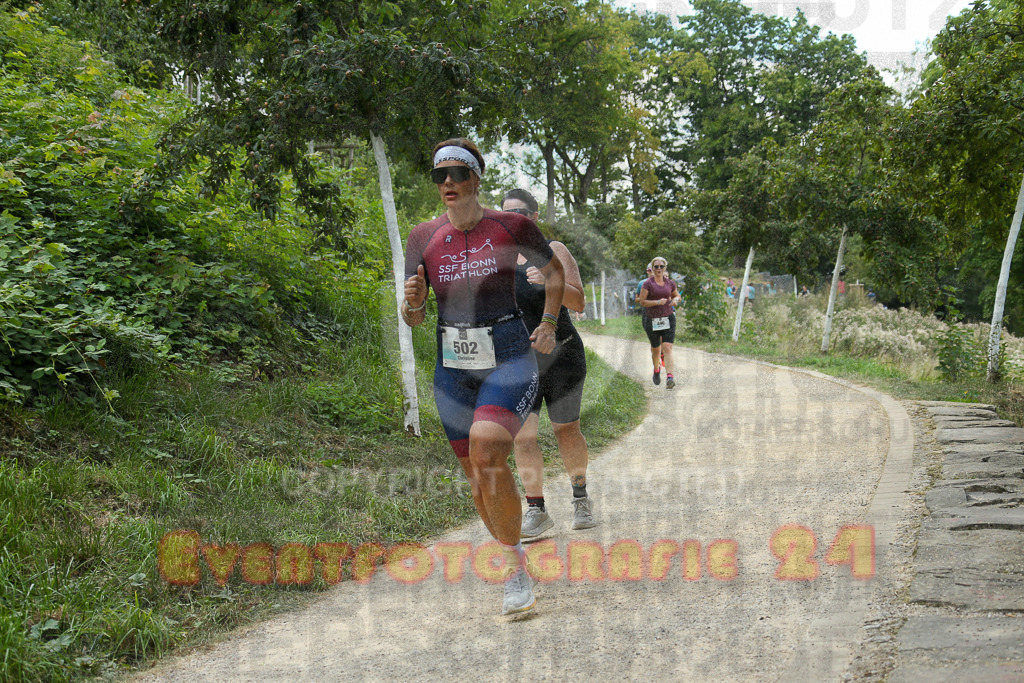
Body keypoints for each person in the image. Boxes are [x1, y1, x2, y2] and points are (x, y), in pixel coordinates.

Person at [402, 138, 566, 616]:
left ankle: (515, 577)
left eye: (457, 173)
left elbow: (553, 274)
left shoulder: (512, 225)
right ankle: (512, 557)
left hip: (510, 355)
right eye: (440, 176)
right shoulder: (422, 237)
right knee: (477, 475)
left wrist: (550, 323)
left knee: (488, 446)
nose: (448, 183)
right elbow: (414, 317)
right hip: (452, 364)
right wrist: (413, 301)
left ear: (476, 178)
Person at [501, 189, 596, 539]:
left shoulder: (554, 251)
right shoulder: (500, 258)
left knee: (564, 430)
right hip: (521, 361)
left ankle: (581, 497)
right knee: (522, 437)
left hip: (563, 356)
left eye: (523, 212)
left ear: (535, 216)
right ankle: (536, 509)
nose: (516, 218)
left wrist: (550, 280)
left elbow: (580, 302)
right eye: (509, 212)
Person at [637, 257, 681, 389]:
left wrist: (676, 300)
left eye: (662, 266)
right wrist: (656, 302)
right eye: (656, 266)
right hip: (652, 319)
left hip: (668, 318)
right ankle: (656, 370)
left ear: (665, 268)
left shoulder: (670, 283)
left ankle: (670, 377)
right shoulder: (647, 284)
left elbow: (677, 295)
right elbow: (642, 301)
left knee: (667, 347)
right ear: (652, 268)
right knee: (656, 349)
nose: (659, 269)